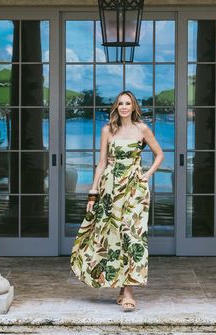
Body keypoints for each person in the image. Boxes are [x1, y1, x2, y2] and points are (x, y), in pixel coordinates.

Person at [70, 90, 164, 312]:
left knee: (133, 237)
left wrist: (146, 174)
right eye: (120, 103)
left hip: (135, 190)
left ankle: (129, 292)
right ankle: (121, 287)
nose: (124, 107)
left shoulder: (142, 129)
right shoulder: (107, 130)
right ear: (116, 107)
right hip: (110, 189)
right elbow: (102, 163)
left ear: (133, 107)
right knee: (112, 237)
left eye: (128, 103)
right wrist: (93, 193)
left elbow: (159, 154)